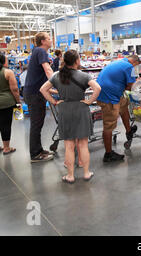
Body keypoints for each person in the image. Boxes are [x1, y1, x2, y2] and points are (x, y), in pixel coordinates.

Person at [40, 50, 100, 183]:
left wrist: (54, 101)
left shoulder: (56, 76)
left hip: (65, 110)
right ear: (77, 61)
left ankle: (70, 175)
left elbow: (43, 89)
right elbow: (98, 88)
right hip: (81, 109)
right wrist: (89, 101)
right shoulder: (84, 76)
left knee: (69, 146)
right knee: (83, 145)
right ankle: (86, 173)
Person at [96, 55, 141, 162]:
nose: (136, 69)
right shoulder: (129, 67)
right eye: (137, 66)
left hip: (107, 93)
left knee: (124, 105)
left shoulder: (119, 62)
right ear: (134, 62)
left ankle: (129, 131)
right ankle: (108, 154)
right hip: (109, 97)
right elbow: (131, 87)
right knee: (109, 125)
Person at [23, 32, 55, 163]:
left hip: (35, 92)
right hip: (34, 94)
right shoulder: (41, 51)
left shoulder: (37, 51)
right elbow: (48, 70)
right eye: (48, 38)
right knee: (36, 124)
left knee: (38, 123)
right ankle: (35, 154)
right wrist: (58, 82)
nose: (51, 40)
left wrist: (52, 89)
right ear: (42, 41)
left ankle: (39, 149)